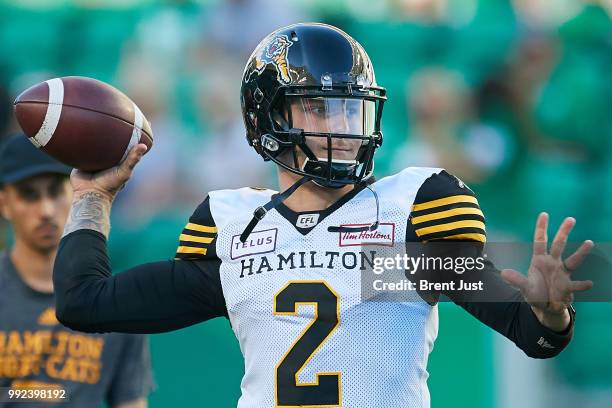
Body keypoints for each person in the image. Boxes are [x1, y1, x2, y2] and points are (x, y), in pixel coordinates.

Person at [53, 23, 594, 407]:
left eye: (349, 106)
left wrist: (550, 314)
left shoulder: (404, 217)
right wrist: (93, 199)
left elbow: (531, 335)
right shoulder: (234, 227)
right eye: (316, 106)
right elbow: (84, 303)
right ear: (267, 115)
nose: (339, 123)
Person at [0, 135, 154, 407]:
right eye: (29, 195)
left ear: (74, 192)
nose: (46, 210)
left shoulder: (115, 302)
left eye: (56, 191)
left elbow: (131, 402)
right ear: (4, 203)